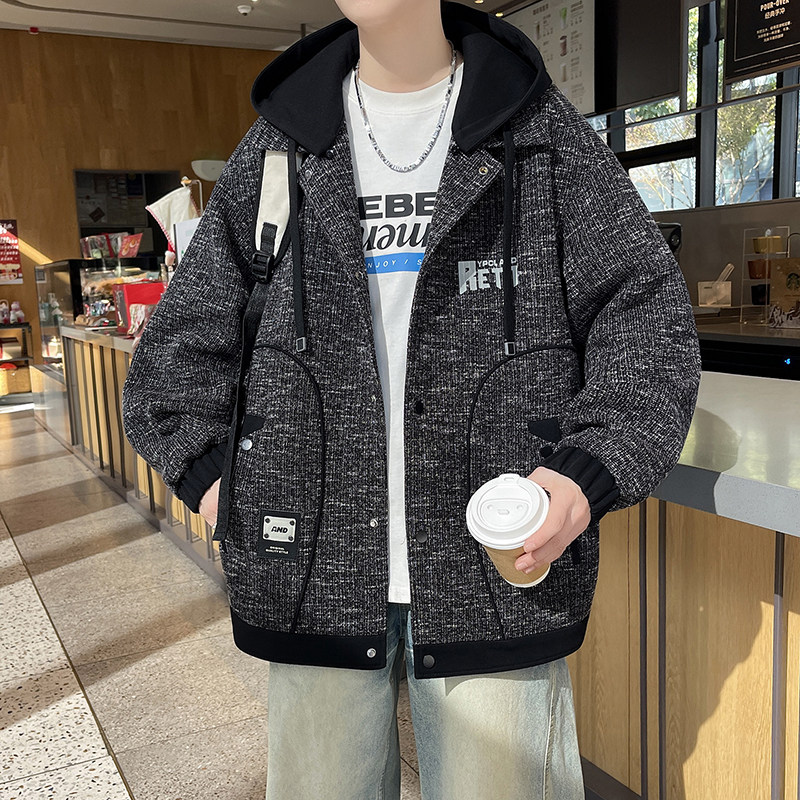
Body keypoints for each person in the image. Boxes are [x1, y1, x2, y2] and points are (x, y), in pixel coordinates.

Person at [122, 1, 701, 797]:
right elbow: (176, 351)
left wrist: (585, 472)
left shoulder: (538, 134)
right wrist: (218, 480)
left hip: (496, 570)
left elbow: (648, 323)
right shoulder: (283, 146)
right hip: (311, 577)